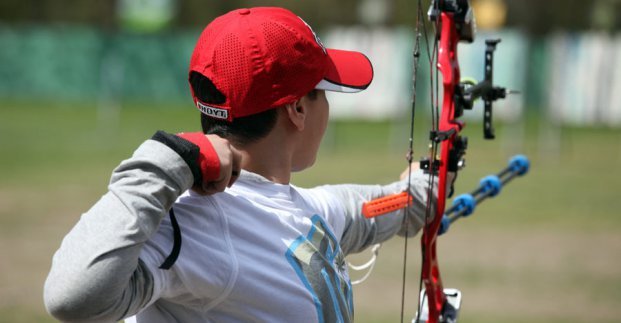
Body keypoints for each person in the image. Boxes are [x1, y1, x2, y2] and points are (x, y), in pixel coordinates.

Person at [44, 7, 438, 322]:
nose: (328, 107)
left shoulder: (306, 211)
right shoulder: (189, 226)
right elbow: (71, 298)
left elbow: (370, 209)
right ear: (298, 109)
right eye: (322, 93)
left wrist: (425, 185)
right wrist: (167, 158)